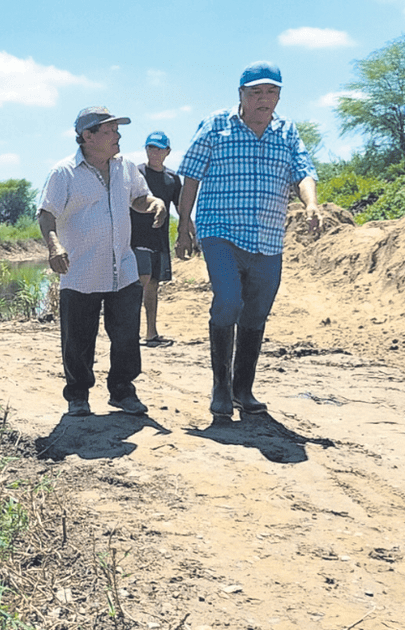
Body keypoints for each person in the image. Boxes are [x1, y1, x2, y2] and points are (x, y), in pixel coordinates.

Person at [175, 61, 322, 417]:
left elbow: (303, 172)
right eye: (255, 92)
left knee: (256, 313)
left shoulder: (287, 132)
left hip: (268, 238)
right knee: (228, 301)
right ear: (240, 95)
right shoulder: (215, 126)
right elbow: (191, 176)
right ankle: (221, 389)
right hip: (220, 231)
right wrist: (184, 225)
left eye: (271, 92)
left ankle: (243, 389)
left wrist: (311, 204)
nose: (264, 99)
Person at [38, 106, 166, 417]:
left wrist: (154, 202)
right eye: (109, 131)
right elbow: (45, 213)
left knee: (125, 335)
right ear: (87, 137)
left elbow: (138, 197)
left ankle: (122, 391)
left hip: (122, 267)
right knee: (78, 339)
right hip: (81, 270)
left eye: (117, 130)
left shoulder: (125, 167)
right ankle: (78, 395)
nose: (118, 136)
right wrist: (54, 247)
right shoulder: (64, 172)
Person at [135, 131, 181, 347]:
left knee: (153, 286)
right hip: (135, 240)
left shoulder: (172, 179)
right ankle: (130, 332)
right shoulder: (136, 173)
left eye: (159, 148)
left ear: (167, 152)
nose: (155, 152)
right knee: (139, 283)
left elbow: (182, 209)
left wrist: (187, 233)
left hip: (159, 240)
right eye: (151, 148)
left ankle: (151, 333)